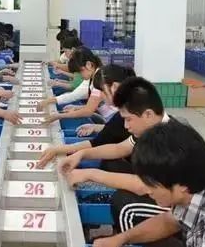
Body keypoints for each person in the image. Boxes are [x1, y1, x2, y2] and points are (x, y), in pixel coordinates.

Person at [62, 77, 183, 235]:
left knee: (125, 205)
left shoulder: (168, 139)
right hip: (157, 186)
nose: (126, 126)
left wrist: (91, 174)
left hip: (177, 206)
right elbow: (119, 148)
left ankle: (131, 238)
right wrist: (81, 153)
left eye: (128, 119)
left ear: (148, 114)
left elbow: (144, 186)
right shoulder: (151, 129)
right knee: (111, 163)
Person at [36, 64, 135, 169]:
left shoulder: (129, 113)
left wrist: (60, 150)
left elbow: (105, 141)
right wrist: (96, 127)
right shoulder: (125, 111)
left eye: (103, 91)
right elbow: (118, 134)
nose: (101, 95)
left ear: (115, 87)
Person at [39, 47, 105, 124]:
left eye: (80, 71)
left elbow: (88, 111)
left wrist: (58, 116)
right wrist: (77, 107)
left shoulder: (99, 80)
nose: (80, 76)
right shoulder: (92, 77)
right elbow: (78, 96)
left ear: (89, 65)